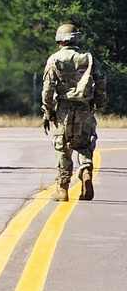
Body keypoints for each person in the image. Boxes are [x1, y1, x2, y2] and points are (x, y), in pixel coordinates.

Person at [42, 23, 107, 202]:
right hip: (85, 108)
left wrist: (48, 110)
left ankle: (63, 189)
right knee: (84, 145)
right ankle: (85, 170)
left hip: (63, 109)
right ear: (76, 38)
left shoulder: (54, 59)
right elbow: (101, 81)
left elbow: (48, 89)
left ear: (59, 40)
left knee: (62, 147)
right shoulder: (88, 57)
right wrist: (99, 102)